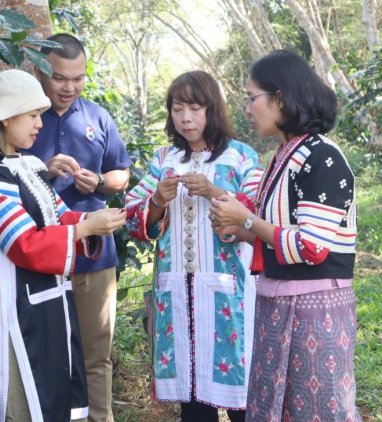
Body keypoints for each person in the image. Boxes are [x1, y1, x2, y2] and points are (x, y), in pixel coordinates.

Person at [0, 69, 127, 422]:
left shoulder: (29, 165)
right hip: (16, 313)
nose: (40, 123)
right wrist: (85, 230)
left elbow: (60, 217)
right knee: (27, 405)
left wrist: (96, 223)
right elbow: (23, 244)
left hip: (50, 305)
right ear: (6, 119)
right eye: (33, 115)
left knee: (58, 401)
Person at [209, 49, 361, 421]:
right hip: (277, 303)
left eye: (251, 98)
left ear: (280, 98)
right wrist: (240, 226)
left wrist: (246, 220)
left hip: (314, 309)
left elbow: (311, 246)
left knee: (313, 409)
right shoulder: (285, 155)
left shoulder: (321, 156)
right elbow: (276, 236)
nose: (247, 108)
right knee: (278, 407)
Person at [124, 70, 263, 422]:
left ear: (212, 109)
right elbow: (131, 215)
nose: (185, 118)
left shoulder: (241, 157)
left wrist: (214, 191)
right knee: (191, 401)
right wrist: (157, 198)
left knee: (241, 395)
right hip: (177, 298)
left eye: (195, 108)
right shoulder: (163, 160)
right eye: (177, 108)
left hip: (228, 293)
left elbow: (259, 215)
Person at [21, 33, 132, 422]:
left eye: (78, 78)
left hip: (94, 256)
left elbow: (123, 174)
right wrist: (41, 171)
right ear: (39, 70)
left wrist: (99, 182)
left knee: (96, 354)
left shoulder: (97, 116)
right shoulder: (23, 120)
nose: (69, 87)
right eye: (59, 77)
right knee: (46, 352)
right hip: (39, 257)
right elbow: (1, 179)